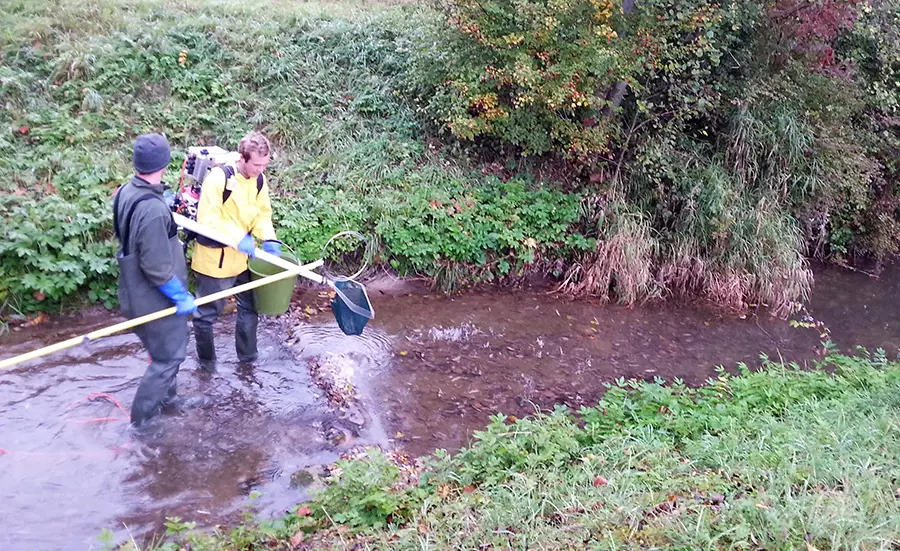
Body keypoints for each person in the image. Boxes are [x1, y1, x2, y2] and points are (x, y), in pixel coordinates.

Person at [113, 133, 198, 426]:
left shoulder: (127, 191)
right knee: (168, 358)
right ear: (165, 163)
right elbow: (156, 266)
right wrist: (179, 295)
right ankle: (143, 423)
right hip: (153, 298)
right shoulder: (151, 209)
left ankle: (169, 401)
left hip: (132, 292)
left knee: (166, 349)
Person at [190, 132, 281, 371]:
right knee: (206, 315)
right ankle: (207, 365)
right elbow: (208, 218)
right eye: (256, 164)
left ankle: (248, 359)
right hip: (215, 260)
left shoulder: (259, 181)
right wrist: (239, 237)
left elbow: (263, 214)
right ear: (243, 158)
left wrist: (269, 238)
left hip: (243, 259)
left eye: (264, 164)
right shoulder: (219, 178)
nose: (261, 169)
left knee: (250, 307)